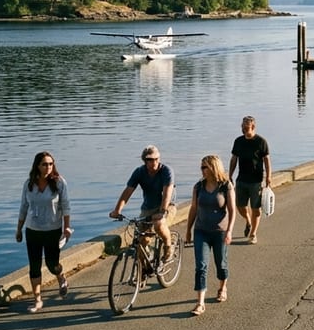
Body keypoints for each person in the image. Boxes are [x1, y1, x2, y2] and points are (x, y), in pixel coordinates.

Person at [16, 151, 71, 313]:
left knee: (52, 264)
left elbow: (66, 206)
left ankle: (61, 277)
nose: (48, 167)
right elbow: (23, 207)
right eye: (44, 164)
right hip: (32, 230)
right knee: (34, 265)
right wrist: (18, 229)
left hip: (52, 229)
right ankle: (37, 300)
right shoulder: (28, 184)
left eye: (50, 164)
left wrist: (66, 227)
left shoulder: (59, 183)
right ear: (37, 166)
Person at [185, 154, 235, 316]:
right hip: (201, 231)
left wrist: (229, 231)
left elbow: (233, 211)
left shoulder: (225, 186)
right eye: (201, 167)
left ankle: (222, 287)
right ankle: (200, 303)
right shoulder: (198, 187)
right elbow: (193, 209)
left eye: (204, 167)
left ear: (214, 167)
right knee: (201, 266)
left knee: (221, 263)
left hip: (220, 232)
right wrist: (188, 231)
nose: (202, 170)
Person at [110, 145, 176, 261]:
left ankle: (168, 247)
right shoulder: (139, 172)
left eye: (156, 159)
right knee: (142, 239)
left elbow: (167, 193)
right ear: (144, 161)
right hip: (148, 208)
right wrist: (117, 210)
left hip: (167, 206)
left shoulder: (166, 171)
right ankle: (145, 267)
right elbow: (127, 192)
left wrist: (162, 212)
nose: (154, 162)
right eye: (150, 160)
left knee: (159, 225)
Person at [228, 115, 271, 244]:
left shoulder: (261, 142)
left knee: (255, 208)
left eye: (246, 127)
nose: (244, 129)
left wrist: (268, 176)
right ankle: (248, 220)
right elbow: (234, 158)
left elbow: (267, 160)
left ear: (253, 127)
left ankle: (253, 234)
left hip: (256, 181)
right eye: (242, 126)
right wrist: (230, 174)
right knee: (240, 205)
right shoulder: (238, 141)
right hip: (241, 179)